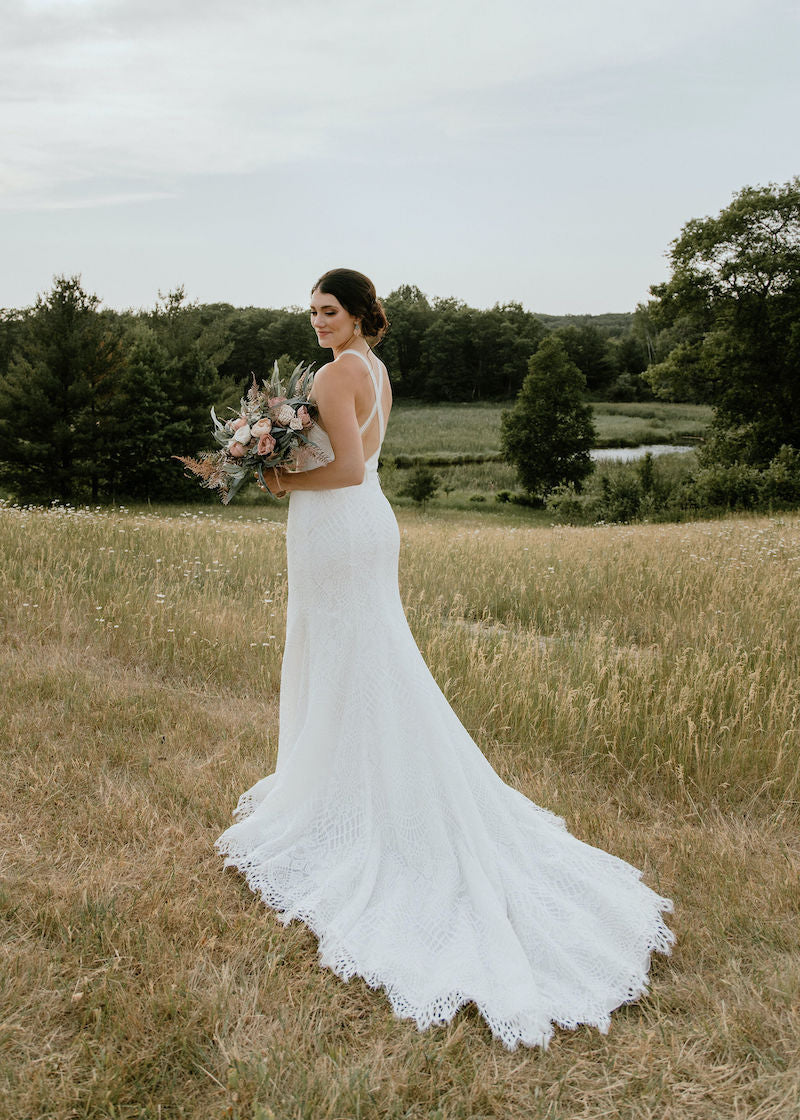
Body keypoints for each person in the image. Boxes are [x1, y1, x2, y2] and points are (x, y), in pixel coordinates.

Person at [215, 267, 674, 1050]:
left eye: (331, 311)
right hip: (364, 528)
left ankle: (357, 811)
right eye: (313, 312)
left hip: (340, 525)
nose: (319, 322)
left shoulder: (335, 373)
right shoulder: (373, 370)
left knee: (356, 663)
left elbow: (349, 467)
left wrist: (275, 470)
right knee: (364, 664)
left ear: (360, 315)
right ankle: (343, 784)